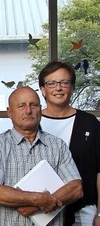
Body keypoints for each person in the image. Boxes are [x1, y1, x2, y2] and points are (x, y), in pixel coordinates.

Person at [0, 86, 83, 226]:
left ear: (40, 109)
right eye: (21, 106)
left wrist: (37, 206)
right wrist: (38, 199)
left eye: (33, 105)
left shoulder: (57, 145)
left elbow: (76, 188)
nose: (28, 110)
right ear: (10, 112)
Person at [37, 61, 100, 226]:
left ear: (72, 87)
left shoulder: (89, 123)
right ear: (42, 89)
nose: (58, 88)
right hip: (41, 210)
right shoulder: (32, 123)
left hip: (84, 210)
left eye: (64, 83)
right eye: (51, 83)